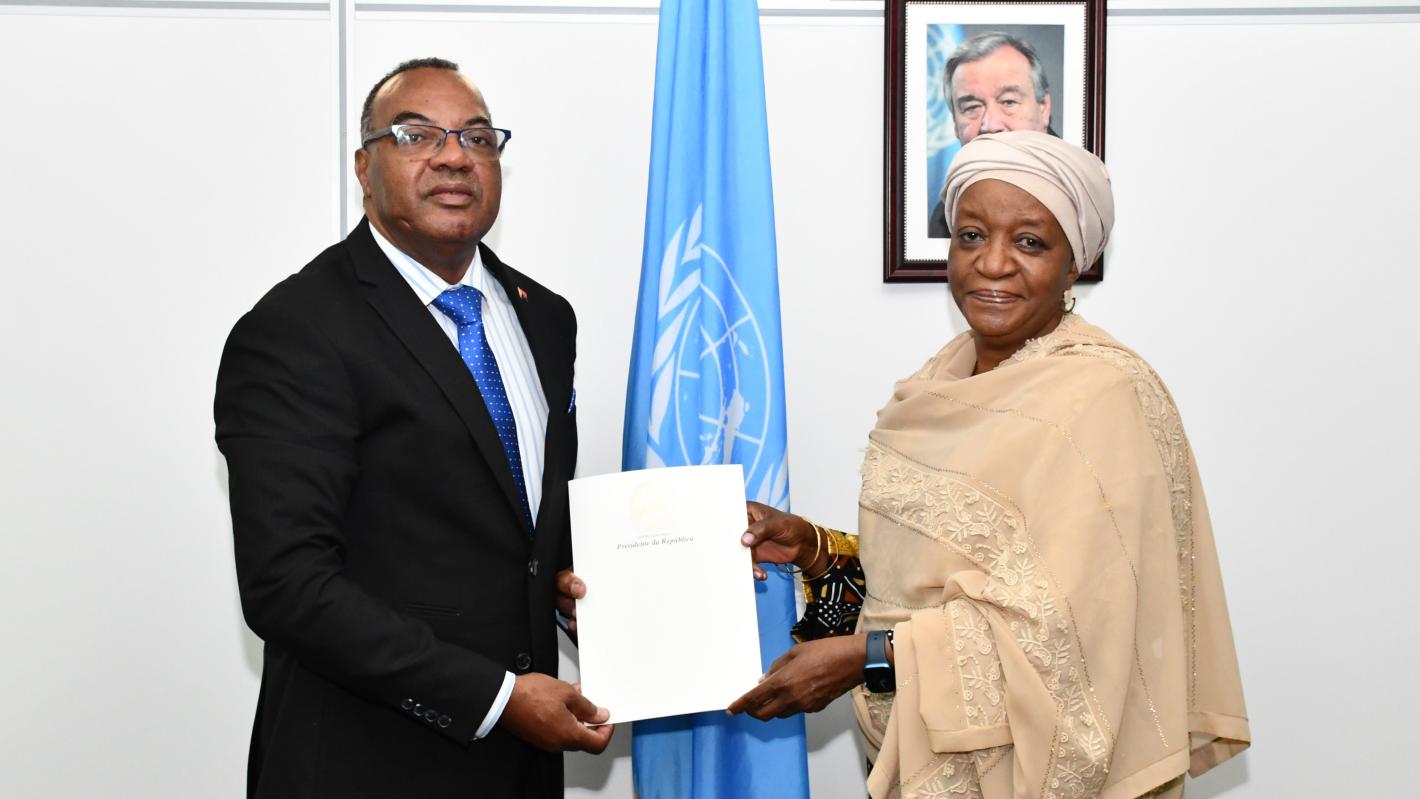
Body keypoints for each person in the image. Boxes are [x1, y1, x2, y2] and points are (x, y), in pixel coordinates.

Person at [731, 131, 1249, 798]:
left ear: (1075, 265)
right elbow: (922, 589)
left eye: (1030, 242)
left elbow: (1078, 637)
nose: (993, 263)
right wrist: (814, 552)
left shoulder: (1104, 399)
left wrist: (871, 658)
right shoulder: (930, 387)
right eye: (971, 235)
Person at [214, 57, 612, 799]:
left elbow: (516, 536)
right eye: (417, 134)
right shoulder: (296, 329)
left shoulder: (545, 317)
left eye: (478, 137)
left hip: (523, 769)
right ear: (364, 167)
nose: (455, 155)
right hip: (363, 763)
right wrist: (497, 696)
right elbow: (286, 585)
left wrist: (590, 596)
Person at [928, 32, 1056, 238]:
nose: (990, 125)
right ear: (954, 122)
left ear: (1044, 108)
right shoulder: (944, 219)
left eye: (1008, 102)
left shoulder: (1079, 198)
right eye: (971, 108)